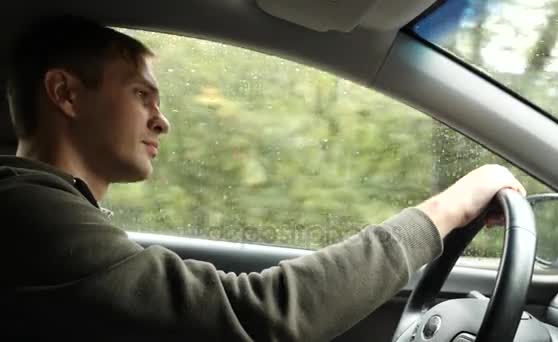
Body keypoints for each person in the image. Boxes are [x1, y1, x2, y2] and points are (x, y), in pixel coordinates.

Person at [2, 16, 526, 341]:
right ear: (66, 94)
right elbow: (259, 317)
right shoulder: (27, 213)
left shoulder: (48, 211)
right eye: (142, 95)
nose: (162, 121)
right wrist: (448, 209)